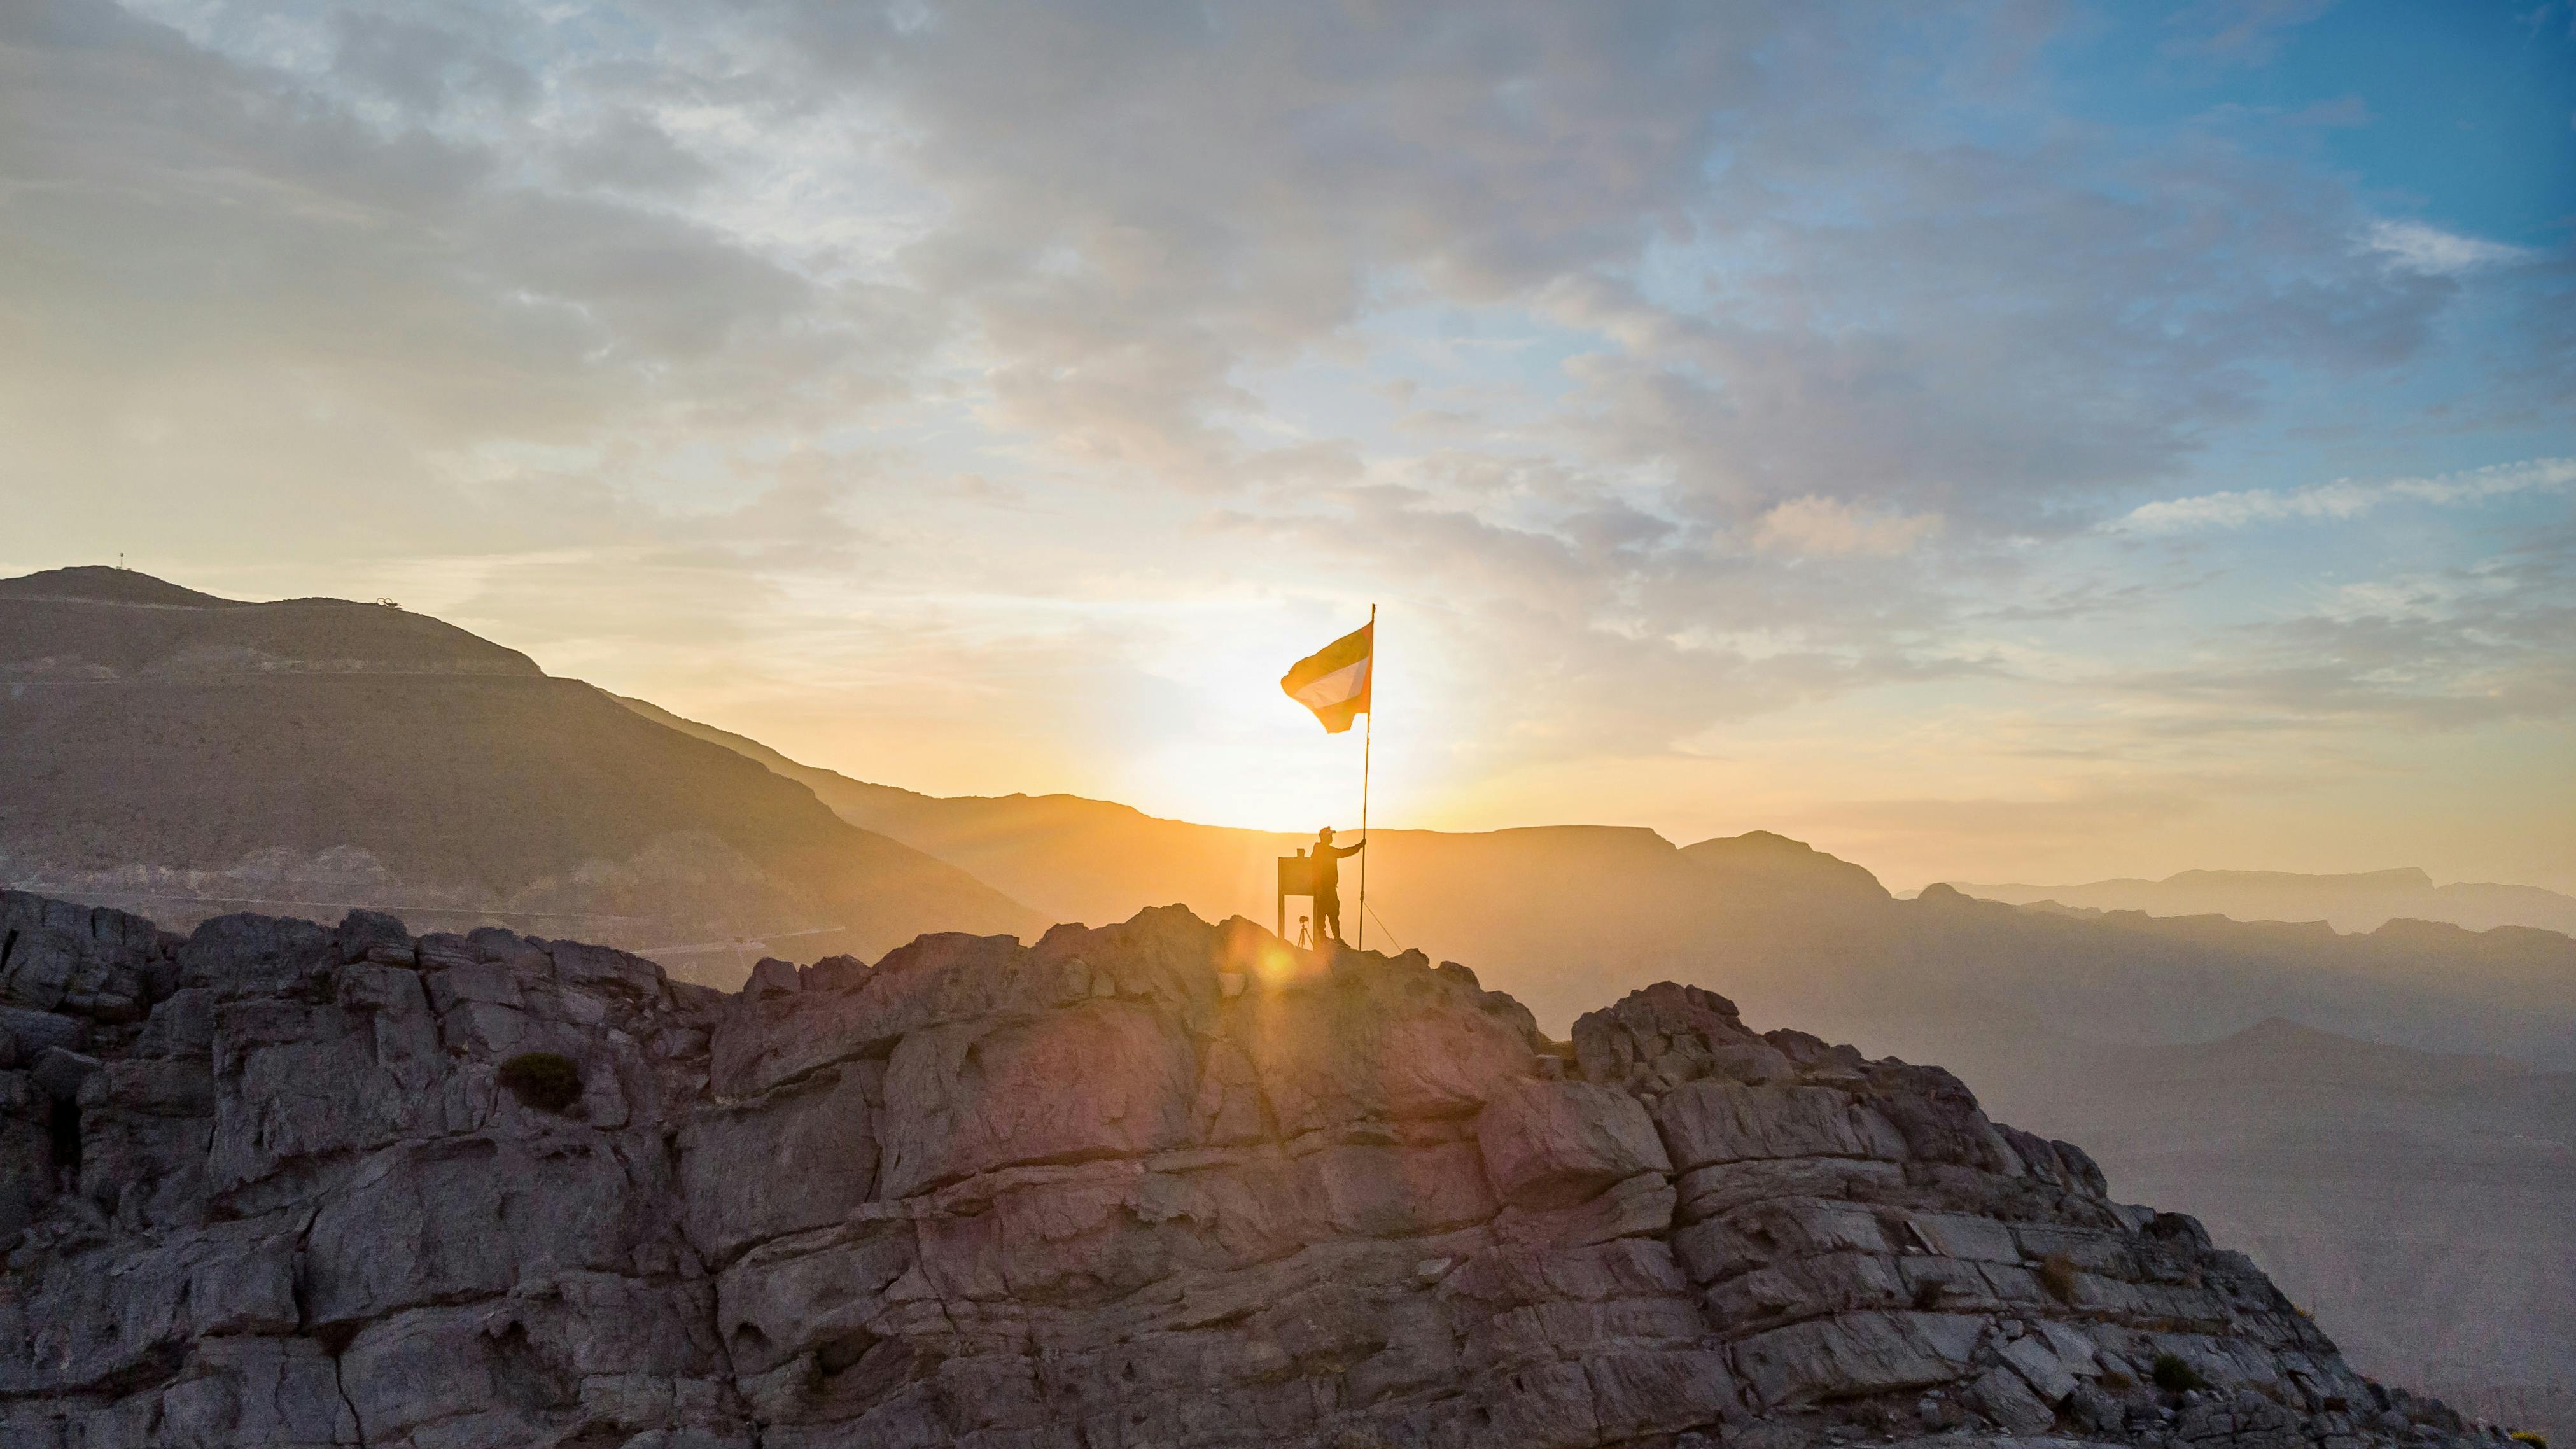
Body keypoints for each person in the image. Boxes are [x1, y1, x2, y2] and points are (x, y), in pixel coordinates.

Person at [1309, 826, 1364, 942]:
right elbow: (1345, 852)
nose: (1331, 837)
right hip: (1325, 889)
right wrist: (1359, 846)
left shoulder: (1322, 851)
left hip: (1324, 888)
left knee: (1327, 912)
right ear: (1325, 837)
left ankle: (1326, 937)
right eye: (1330, 835)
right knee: (1329, 912)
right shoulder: (1326, 852)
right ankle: (1332, 937)